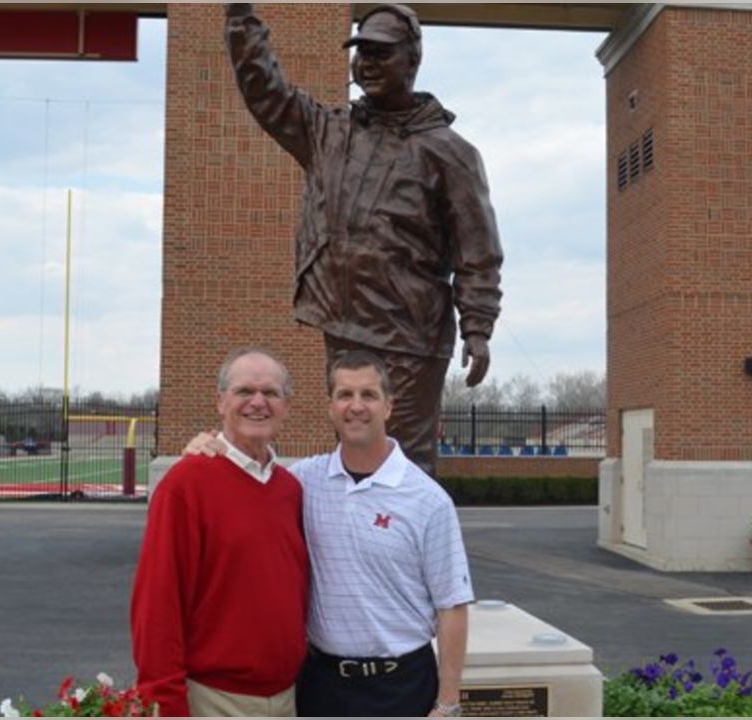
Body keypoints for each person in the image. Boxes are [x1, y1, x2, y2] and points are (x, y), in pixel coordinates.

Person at [225, 2, 504, 477]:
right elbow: (266, 92)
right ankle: (356, 548)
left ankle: (409, 552)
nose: (367, 64)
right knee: (353, 452)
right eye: (361, 53)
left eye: (381, 53)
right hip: (345, 323)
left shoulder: (449, 153)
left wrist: (477, 326)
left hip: (410, 336)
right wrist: (240, 18)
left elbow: (477, 250)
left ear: (412, 62)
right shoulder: (328, 133)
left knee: (404, 465)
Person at [187, 350, 473, 717]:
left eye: (368, 395)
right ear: (330, 406)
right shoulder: (302, 482)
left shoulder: (429, 500)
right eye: (345, 395)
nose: (356, 406)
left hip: (401, 686)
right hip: (321, 684)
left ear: (388, 406)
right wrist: (208, 446)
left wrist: (448, 703)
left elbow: (452, 606)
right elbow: (248, 474)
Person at [130, 348, 308, 717]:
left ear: (286, 406)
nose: (258, 402)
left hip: (287, 699)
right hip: (214, 701)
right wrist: (165, 704)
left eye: (271, 393)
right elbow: (158, 604)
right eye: (244, 391)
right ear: (220, 401)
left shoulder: (291, 490)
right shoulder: (186, 485)